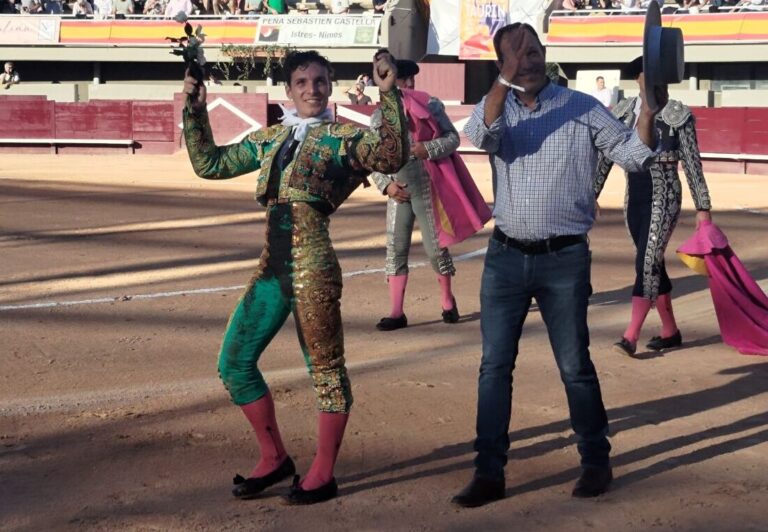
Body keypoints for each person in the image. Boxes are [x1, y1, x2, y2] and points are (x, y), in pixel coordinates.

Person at [452, 23, 666, 508]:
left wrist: (648, 111)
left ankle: (595, 460)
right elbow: (479, 136)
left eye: (535, 50)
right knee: (493, 368)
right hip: (505, 257)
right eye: (517, 52)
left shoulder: (582, 107)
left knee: (574, 365)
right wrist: (502, 84)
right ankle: (489, 471)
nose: (529, 58)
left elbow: (633, 156)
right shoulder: (497, 108)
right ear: (501, 60)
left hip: (565, 258)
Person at [181, 50, 407, 505]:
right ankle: (274, 458)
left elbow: (390, 152)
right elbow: (210, 164)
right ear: (289, 90)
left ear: (330, 85)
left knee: (325, 371)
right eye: (302, 82)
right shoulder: (272, 137)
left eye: (320, 81)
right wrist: (194, 106)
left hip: (313, 268)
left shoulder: (344, 138)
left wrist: (388, 94)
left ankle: (323, 472)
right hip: (273, 269)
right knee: (234, 362)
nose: (311, 89)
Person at [595, 57, 712, 357]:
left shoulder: (677, 115)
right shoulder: (622, 113)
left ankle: (630, 335)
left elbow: (693, 163)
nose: (654, 83)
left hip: (665, 193)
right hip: (633, 195)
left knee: (646, 262)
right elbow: (606, 157)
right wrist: (590, 194)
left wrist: (704, 209)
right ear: (638, 79)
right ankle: (670, 331)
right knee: (652, 262)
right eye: (648, 77)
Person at [369, 59, 470, 331]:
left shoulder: (431, 105)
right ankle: (396, 312)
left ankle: (447, 300)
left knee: (435, 247)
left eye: (412, 79)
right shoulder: (379, 115)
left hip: (427, 185)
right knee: (395, 247)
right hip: (398, 190)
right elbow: (371, 157)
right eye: (403, 79)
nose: (410, 84)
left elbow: (452, 139)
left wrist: (428, 148)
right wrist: (386, 186)